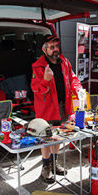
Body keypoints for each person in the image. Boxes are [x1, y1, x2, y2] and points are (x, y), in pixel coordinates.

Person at [31, 34, 82, 183]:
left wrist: (78, 89)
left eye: (56, 46)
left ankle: (54, 163)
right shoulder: (38, 66)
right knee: (46, 138)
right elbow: (36, 89)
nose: (55, 50)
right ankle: (45, 167)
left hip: (63, 106)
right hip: (46, 109)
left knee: (58, 136)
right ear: (44, 49)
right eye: (51, 47)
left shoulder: (64, 62)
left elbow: (73, 78)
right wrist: (46, 80)